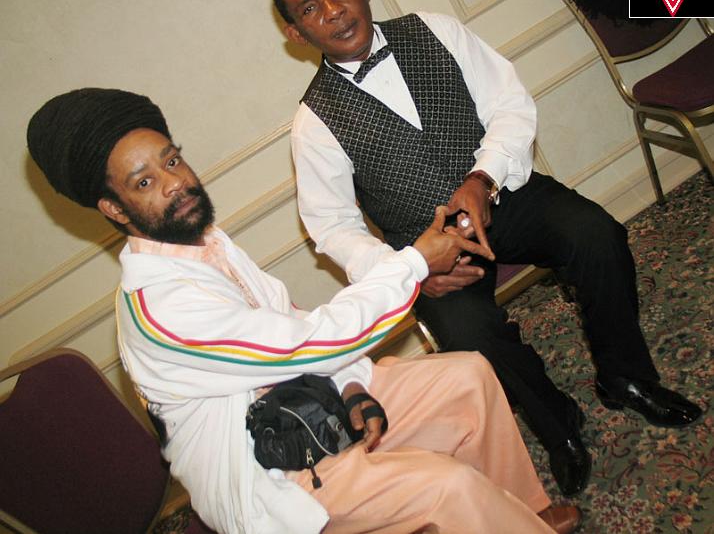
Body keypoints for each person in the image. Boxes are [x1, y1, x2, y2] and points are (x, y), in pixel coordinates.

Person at [26, 88, 582, 534]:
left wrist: (350, 386)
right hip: (269, 470)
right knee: (446, 487)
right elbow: (309, 343)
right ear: (114, 209)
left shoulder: (204, 242)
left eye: (172, 160)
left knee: (469, 375)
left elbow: (287, 322)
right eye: (146, 181)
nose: (176, 182)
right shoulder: (160, 309)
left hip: (311, 402)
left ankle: (520, 516)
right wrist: (415, 262)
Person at [272, 0, 702, 498]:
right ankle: (558, 425)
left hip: (503, 196)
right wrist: (412, 270)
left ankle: (626, 377)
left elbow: (510, 105)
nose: (332, 10)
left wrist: (482, 178)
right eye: (310, 9)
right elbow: (332, 226)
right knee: (469, 335)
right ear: (297, 34)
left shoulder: (434, 28)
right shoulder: (312, 124)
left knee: (597, 235)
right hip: (427, 249)